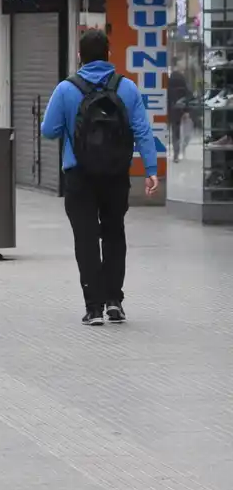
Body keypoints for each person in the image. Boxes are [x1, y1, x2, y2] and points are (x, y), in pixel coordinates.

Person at [40, 28, 159, 326]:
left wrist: (71, 128)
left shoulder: (66, 89)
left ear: (80, 56)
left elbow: (48, 130)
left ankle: (93, 308)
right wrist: (151, 170)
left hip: (79, 175)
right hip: (116, 175)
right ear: (109, 54)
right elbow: (143, 131)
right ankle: (114, 302)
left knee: (86, 238)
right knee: (114, 234)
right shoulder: (127, 88)